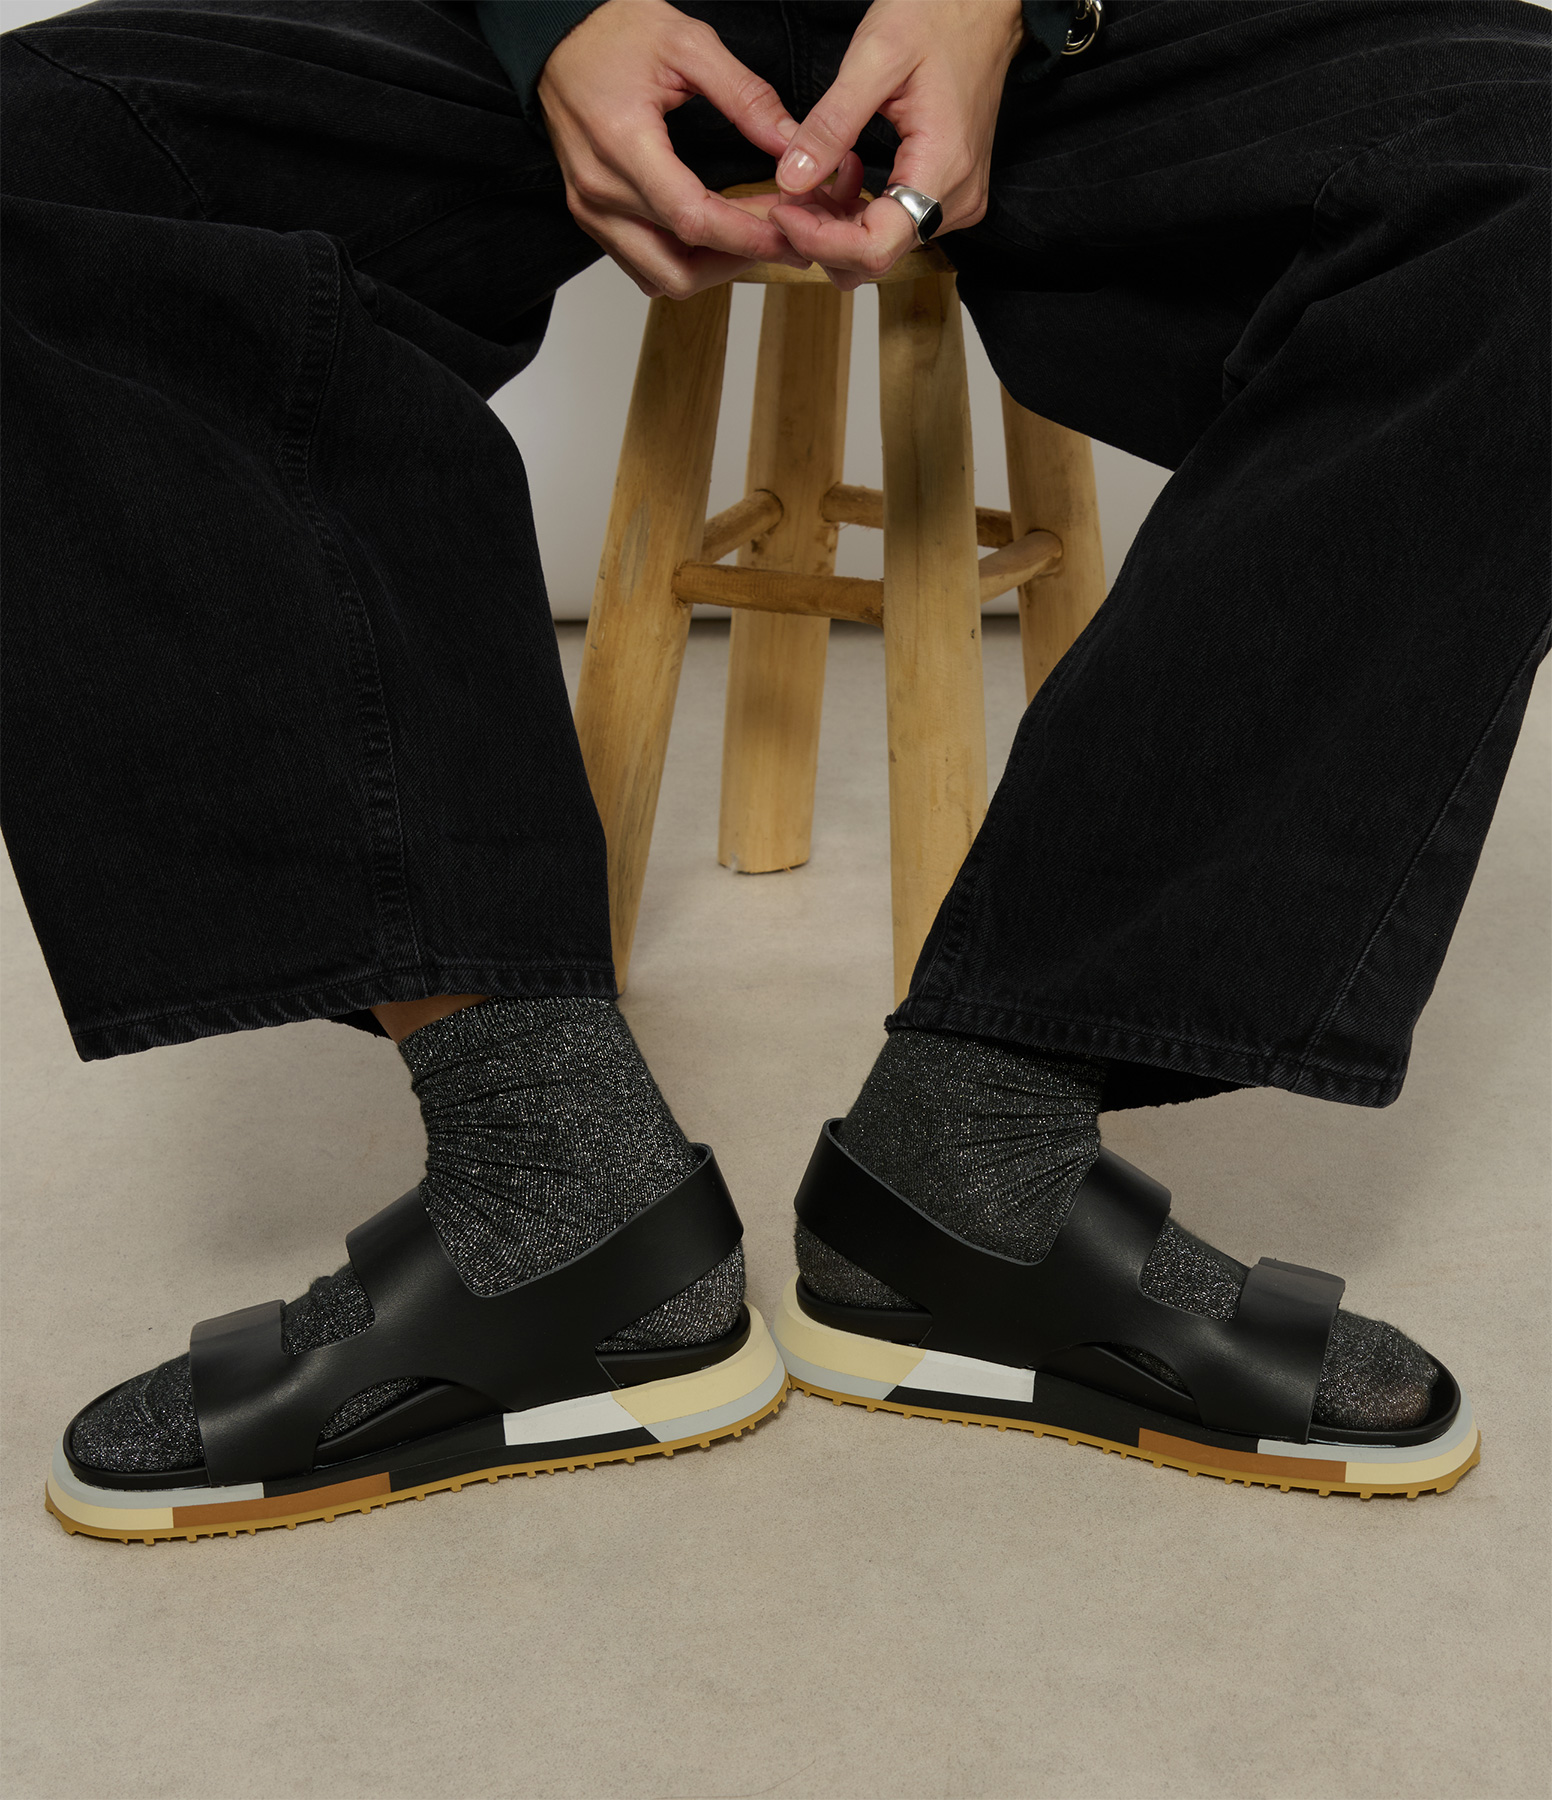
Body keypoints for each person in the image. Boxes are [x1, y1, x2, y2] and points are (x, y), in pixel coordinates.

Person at [5, 0, 1546, 1543]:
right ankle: (550, 1181)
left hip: (1081, 39)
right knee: (34, 151)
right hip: (557, 28)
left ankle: (978, 1167)